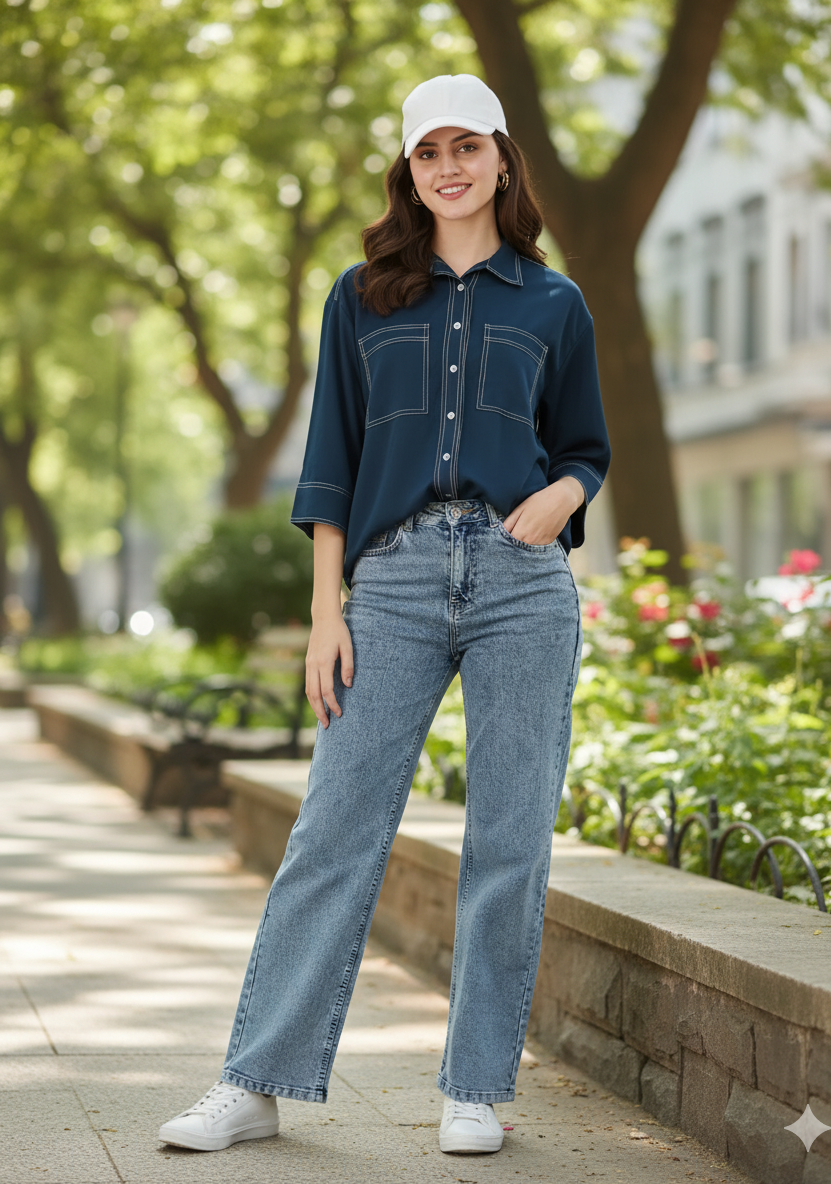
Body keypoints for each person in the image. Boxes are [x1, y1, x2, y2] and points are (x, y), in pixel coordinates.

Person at [158, 72, 610, 1159]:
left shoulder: (554, 302)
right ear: (409, 172)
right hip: (395, 581)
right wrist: (329, 613)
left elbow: (586, 444)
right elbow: (331, 467)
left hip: (520, 581)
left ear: (502, 157)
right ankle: (255, 1078)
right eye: (427, 152)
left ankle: (475, 1087)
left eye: (467, 146)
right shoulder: (362, 296)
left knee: (508, 836)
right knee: (333, 830)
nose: (448, 167)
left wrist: (561, 496)